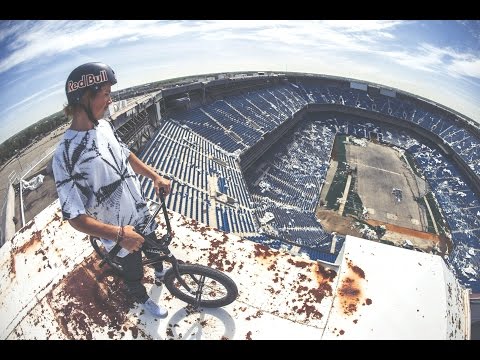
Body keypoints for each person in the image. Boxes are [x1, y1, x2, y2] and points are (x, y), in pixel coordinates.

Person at [52, 62, 172, 318]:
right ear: (85, 97)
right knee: (133, 272)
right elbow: (75, 217)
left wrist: (155, 176)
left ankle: (161, 271)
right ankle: (141, 297)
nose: (110, 100)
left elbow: (126, 155)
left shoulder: (104, 127)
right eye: (105, 93)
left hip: (140, 212)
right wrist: (120, 234)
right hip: (118, 233)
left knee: (155, 246)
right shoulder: (64, 155)